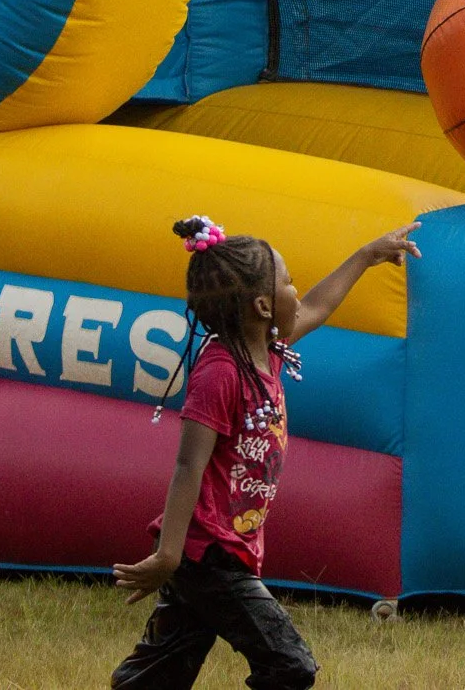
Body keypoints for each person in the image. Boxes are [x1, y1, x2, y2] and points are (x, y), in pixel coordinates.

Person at [112, 215, 421, 689]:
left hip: (223, 550)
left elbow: (317, 305)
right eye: (289, 282)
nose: (298, 291)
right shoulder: (219, 372)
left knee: (160, 673)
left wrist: (366, 255)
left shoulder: (266, 351)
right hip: (207, 554)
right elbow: (187, 465)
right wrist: (169, 556)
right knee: (289, 666)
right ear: (262, 305)